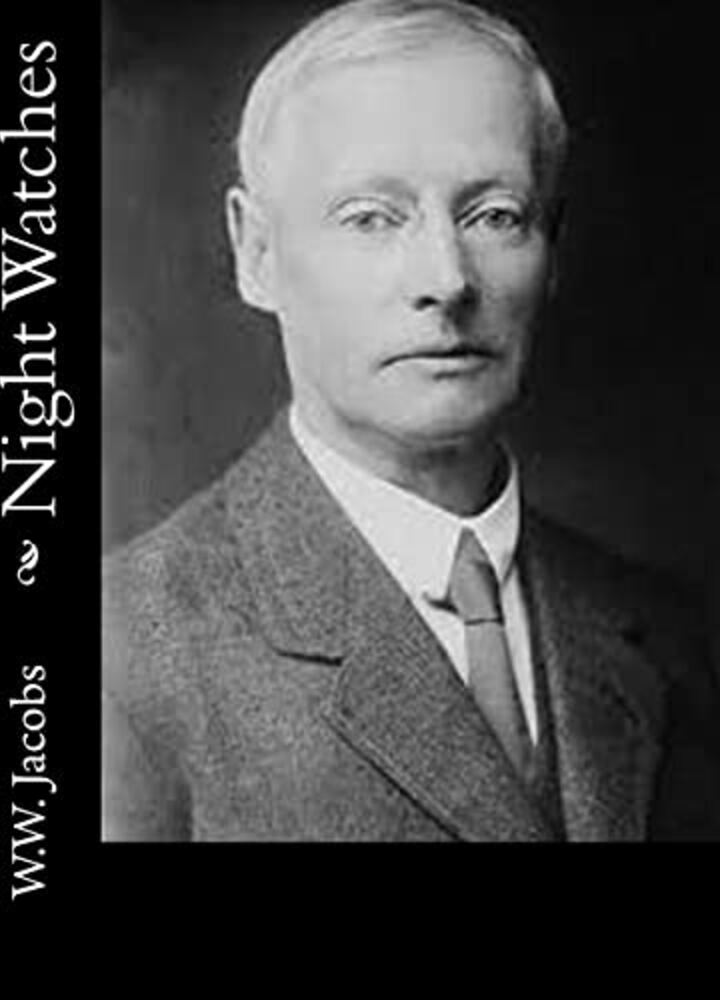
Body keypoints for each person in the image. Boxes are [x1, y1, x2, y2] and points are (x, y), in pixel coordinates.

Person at [102, 0, 720, 841]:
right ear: (257, 254)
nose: (447, 279)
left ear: (552, 246)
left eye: (494, 215)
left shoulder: (670, 633)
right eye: (371, 217)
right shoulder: (121, 654)